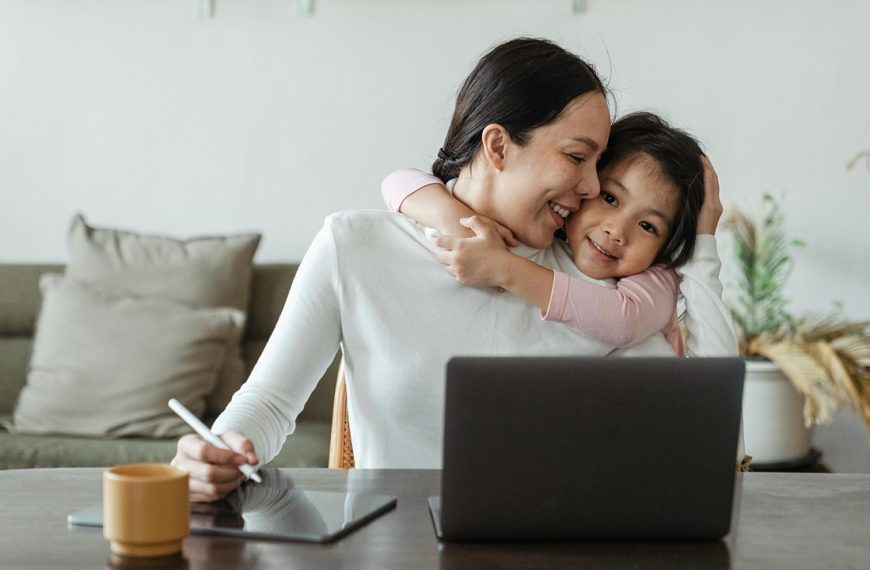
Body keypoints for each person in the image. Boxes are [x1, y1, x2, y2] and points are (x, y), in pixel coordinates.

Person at [172, 37, 737, 502]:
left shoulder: (601, 285)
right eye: (575, 157)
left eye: (598, 164)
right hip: (390, 552)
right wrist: (218, 448)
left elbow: (708, 425)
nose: (591, 188)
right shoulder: (356, 247)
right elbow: (269, 404)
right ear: (497, 145)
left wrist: (704, 244)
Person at [380, 112, 736, 357]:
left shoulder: (655, 279)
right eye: (609, 198)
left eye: (648, 226)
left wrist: (504, 268)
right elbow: (398, 181)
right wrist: (459, 222)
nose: (617, 230)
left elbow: (623, 321)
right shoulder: (544, 239)